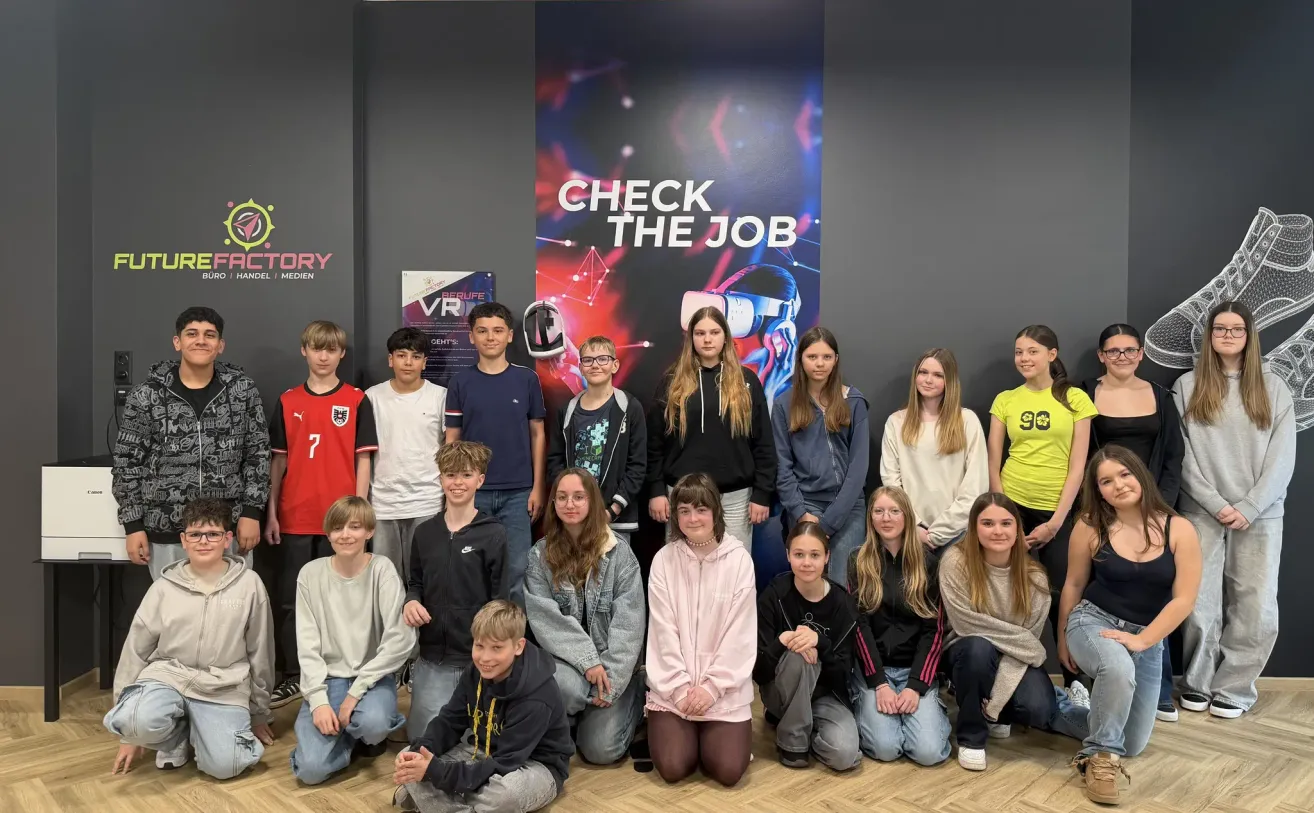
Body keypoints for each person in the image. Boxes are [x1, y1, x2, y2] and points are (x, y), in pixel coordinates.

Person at [1057, 446, 1202, 805]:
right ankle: (1100, 759)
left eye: (1124, 474)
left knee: (1133, 743)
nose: (1118, 485)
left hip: (1147, 636)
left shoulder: (1180, 528)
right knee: (1117, 670)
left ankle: (1050, 707)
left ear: (1140, 474)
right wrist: (1062, 638)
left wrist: (1143, 640)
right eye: (1106, 481)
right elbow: (1073, 585)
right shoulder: (1090, 526)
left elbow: (1184, 600)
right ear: (1098, 490)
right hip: (1093, 620)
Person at [1173, 301, 1295, 719]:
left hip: (1260, 514)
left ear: (1249, 335)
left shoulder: (1274, 387)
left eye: (1236, 329)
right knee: (1198, 601)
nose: (1227, 335)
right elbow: (1182, 454)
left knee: (1256, 604)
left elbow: (1283, 458)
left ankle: (1236, 687)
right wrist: (1216, 503)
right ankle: (1197, 682)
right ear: (1209, 336)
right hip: (1202, 512)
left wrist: (1249, 505)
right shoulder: (1187, 386)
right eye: (1220, 328)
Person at [104, 498, 275, 778]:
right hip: (168, 677)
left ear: (227, 538)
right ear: (184, 540)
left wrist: (258, 712)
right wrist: (129, 732)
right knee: (132, 721)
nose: (203, 541)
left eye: (213, 534)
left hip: (223, 686)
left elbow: (261, 651)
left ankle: (201, 732)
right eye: (195, 534)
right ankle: (176, 736)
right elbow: (135, 650)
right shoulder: (163, 588)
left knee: (227, 765)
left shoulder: (249, 585)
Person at [264, 320, 378, 709]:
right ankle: (295, 676)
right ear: (305, 351)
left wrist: (359, 514)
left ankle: (341, 672)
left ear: (341, 354)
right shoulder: (287, 400)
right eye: (317, 348)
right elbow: (277, 464)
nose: (324, 356)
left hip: (341, 521)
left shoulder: (356, 401)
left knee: (345, 601)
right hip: (295, 516)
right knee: (292, 602)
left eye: (331, 349)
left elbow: (364, 460)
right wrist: (271, 513)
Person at [112, 306, 269, 580]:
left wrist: (252, 513)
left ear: (220, 345)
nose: (201, 340)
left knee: (230, 614)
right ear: (177, 342)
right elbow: (126, 463)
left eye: (210, 335)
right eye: (192, 333)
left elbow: (258, 454)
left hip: (227, 527)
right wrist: (133, 525)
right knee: (174, 616)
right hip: (166, 528)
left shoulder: (243, 391)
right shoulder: (146, 395)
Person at [1080, 324, 1186, 723]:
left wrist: (1162, 511)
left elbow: (1173, 457)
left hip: (1154, 511)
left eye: (1129, 350)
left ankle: (1157, 689)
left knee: (1156, 592)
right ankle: (1095, 685)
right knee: (1101, 592)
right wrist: (1094, 509)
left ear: (1141, 354)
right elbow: (1081, 454)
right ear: (1101, 355)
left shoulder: (1161, 396)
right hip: (1101, 509)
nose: (1122, 357)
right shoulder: (1085, 392)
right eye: (1113, 351)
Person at [988, 325, 1098, 706]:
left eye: (1032, 351)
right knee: (1007, 598)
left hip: (1059, 511)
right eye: (1018, 351)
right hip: (1012, 506)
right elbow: (994, 459)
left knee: (1063, 596)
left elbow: (1078, 466)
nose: (1023, 358)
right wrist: (1004, 519)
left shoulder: (1076, 399)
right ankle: (1002, 688)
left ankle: (1075, 680)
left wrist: (1055, 522)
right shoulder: (1005, 400)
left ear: (1052, 355)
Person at [940, 493, 1089, 772]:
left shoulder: (1034, 577)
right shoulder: (955, 561)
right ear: (974, 528)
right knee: (978, 648)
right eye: (987, 523)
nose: (997, 531)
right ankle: (971, 737)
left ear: (1018, 529)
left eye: (1006, 523)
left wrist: (997, 702)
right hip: (964, 649)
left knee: (1039, 708)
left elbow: (1024, 648)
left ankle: (996, 713)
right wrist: (1022, 641)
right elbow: (965, 623)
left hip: (1014, 658)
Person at [392, 601, 573, 813]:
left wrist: (436, 773)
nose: (485, 658)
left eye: (497, 648)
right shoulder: (475, 672)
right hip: (479, 751)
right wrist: (420, 754)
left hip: (531, 765)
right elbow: (449, 721)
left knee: (503, 797)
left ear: (518, 646)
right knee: (408, 756)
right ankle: (461, 801)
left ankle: (439, 800)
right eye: (479, 646)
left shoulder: (537, 696)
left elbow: (505, 762)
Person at [289, 497, 415, 785]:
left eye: (354, 526)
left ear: (369, 531)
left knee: (373, 725)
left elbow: (400, 638)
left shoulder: (382, 570)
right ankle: (346, 736)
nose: (345, 534)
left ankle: (359, 730)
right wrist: (319, 702)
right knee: (310, 771)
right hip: (327, 678)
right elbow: (307, 645)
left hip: (371, 678)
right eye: (337, 528)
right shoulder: (310, 574)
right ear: (328, 533)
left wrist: (355, 693)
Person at [524, 468, 646, 765]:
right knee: (569, 688)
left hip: (613, 665)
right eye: (562, 497)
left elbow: (629, 624)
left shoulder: (621, 555)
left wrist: (613, 679)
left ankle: (632, 695)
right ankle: (580, 707)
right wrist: (587, 660)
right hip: (568, 666)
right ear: (553, 504)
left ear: (592, 501)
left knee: (601, 751)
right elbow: (544, 618)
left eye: (579, 497)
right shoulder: (539, 555)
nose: (570, 504)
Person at [645, 473, 757, 786]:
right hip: (673, 690)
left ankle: (715, 736)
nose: (693, 518)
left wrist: (711, 687)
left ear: (715, 511)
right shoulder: (664, 560)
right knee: (673, 768)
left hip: (722, 690)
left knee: (728, 771)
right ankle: (678, 730)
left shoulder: (739, 561)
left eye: (701, 509)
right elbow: (661, 633)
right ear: (675, 515)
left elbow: (741, 636)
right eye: (684, 511)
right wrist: (680, 688)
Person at [647, 307, 776, 551]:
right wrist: (656, 490)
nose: (707, 339)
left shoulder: (747, 381)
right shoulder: (672, 382)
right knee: (683, 574)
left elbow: (763, 444)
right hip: (684, 498)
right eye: (700, 333)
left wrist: (762, 493)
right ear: (691, 338)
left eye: (714, 332)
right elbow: (655, 444)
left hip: (736, 499)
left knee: (735, 573)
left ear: (725, 337)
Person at [404, 441, 508, 740]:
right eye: (450, 475)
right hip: (433, 659)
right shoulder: (425, 533)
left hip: (476, 660)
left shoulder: (493, 533)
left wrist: (491, 654)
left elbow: (499, 599)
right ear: (440, 479)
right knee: (423, 741)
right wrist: (411, 601)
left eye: (465, 475)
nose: (457, 482)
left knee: (474, 742)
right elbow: (416, 583)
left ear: (480, 480)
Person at [445, 302, 547, 606]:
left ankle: (512, 641)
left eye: (498, 330)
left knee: (517, 570)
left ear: (510, 336)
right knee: (472, 570)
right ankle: (474, 641)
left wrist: (538, 487)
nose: (491, 337)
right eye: (483, 331)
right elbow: (452, 440)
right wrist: (455, 489)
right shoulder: (460, 382)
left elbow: (538, 434)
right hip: (473, 493)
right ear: (472, 337)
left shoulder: (527, 379)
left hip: (518, 493)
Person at [847, 487, 951, 767]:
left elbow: (934, 631)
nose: (886, 518)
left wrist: (915, 687)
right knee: (886, 748)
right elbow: (859, 627)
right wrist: (879, 683)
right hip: (874, 673)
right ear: (870, 518)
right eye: (878, 511)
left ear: (907, 517)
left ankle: (927, 714)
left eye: (894, 511)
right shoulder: (858, 561)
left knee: (928, 753)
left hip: (914, 671)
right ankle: (868, 709)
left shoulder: (928, 563)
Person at [755, 521, 862, 771]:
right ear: (787, 556)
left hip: (825, 697)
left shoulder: (842, 604)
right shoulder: (773, 596)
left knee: (844, 755)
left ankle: (801, 724)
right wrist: (782, 642)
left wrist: (820, 643)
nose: (806, 562)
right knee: (798, 654)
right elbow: (758, 673)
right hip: (780, 691)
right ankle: (792, 742)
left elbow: (844, 674)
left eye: (815, 555)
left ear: (827, 557)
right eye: (799, 554)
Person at [772, 326, 870, 584]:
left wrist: (828, 523)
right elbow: (782, 467)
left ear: (836, 359)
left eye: (826, 357)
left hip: (847, 508)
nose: (819, 364)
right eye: (812, 357)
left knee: (840, 583)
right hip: (804, 505)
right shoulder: (784, 405)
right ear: (800, 359)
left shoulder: (854, 401)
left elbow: (858, 467)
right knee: (806, 580)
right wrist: (802, 514)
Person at [880, 348, 988, 553]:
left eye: (938, 375)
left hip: (959, 534)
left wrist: (940, 532)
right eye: (923, 373)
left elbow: (976, 486)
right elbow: (891, 481)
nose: (928, 380)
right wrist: (914, 527)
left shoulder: (967, 421)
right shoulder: (896, 422)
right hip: (910, 533)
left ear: (950, 381)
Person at [545, 335, 648, 542]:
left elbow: (637, 466)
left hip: (615, 520)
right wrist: (569, 504)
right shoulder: (567, 411)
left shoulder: (629, 407)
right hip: (574, 520)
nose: (595, 365)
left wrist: (612, 510)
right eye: (588, 360)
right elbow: (555, 462)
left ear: (615, 365)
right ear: (581, 366)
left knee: (614, 574)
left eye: (602, 359)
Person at [366, 327, 447, 581]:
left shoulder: (439, 396)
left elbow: (448, 449)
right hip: (383, 505)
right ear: (391, 360)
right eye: (401, 355)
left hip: (427, 501)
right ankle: (391, 624)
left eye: (415, 356)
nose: (408, 362)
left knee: (426, 578)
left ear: (425, 361)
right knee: (386, 581)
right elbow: (363, 454)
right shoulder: (372, 397)